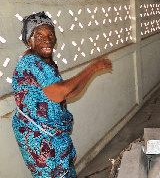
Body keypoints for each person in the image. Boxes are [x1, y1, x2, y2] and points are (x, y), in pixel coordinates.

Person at [12, 11, 112, 177]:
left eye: (51, 34)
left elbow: (69, 92)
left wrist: (91, 72)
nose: (47, 39)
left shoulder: (46, 62)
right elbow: (59, 93)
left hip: (52, 134)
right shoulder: (31, 63)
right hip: (40, 138)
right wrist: (92, 68)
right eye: (39, 35)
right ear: (29, 40)